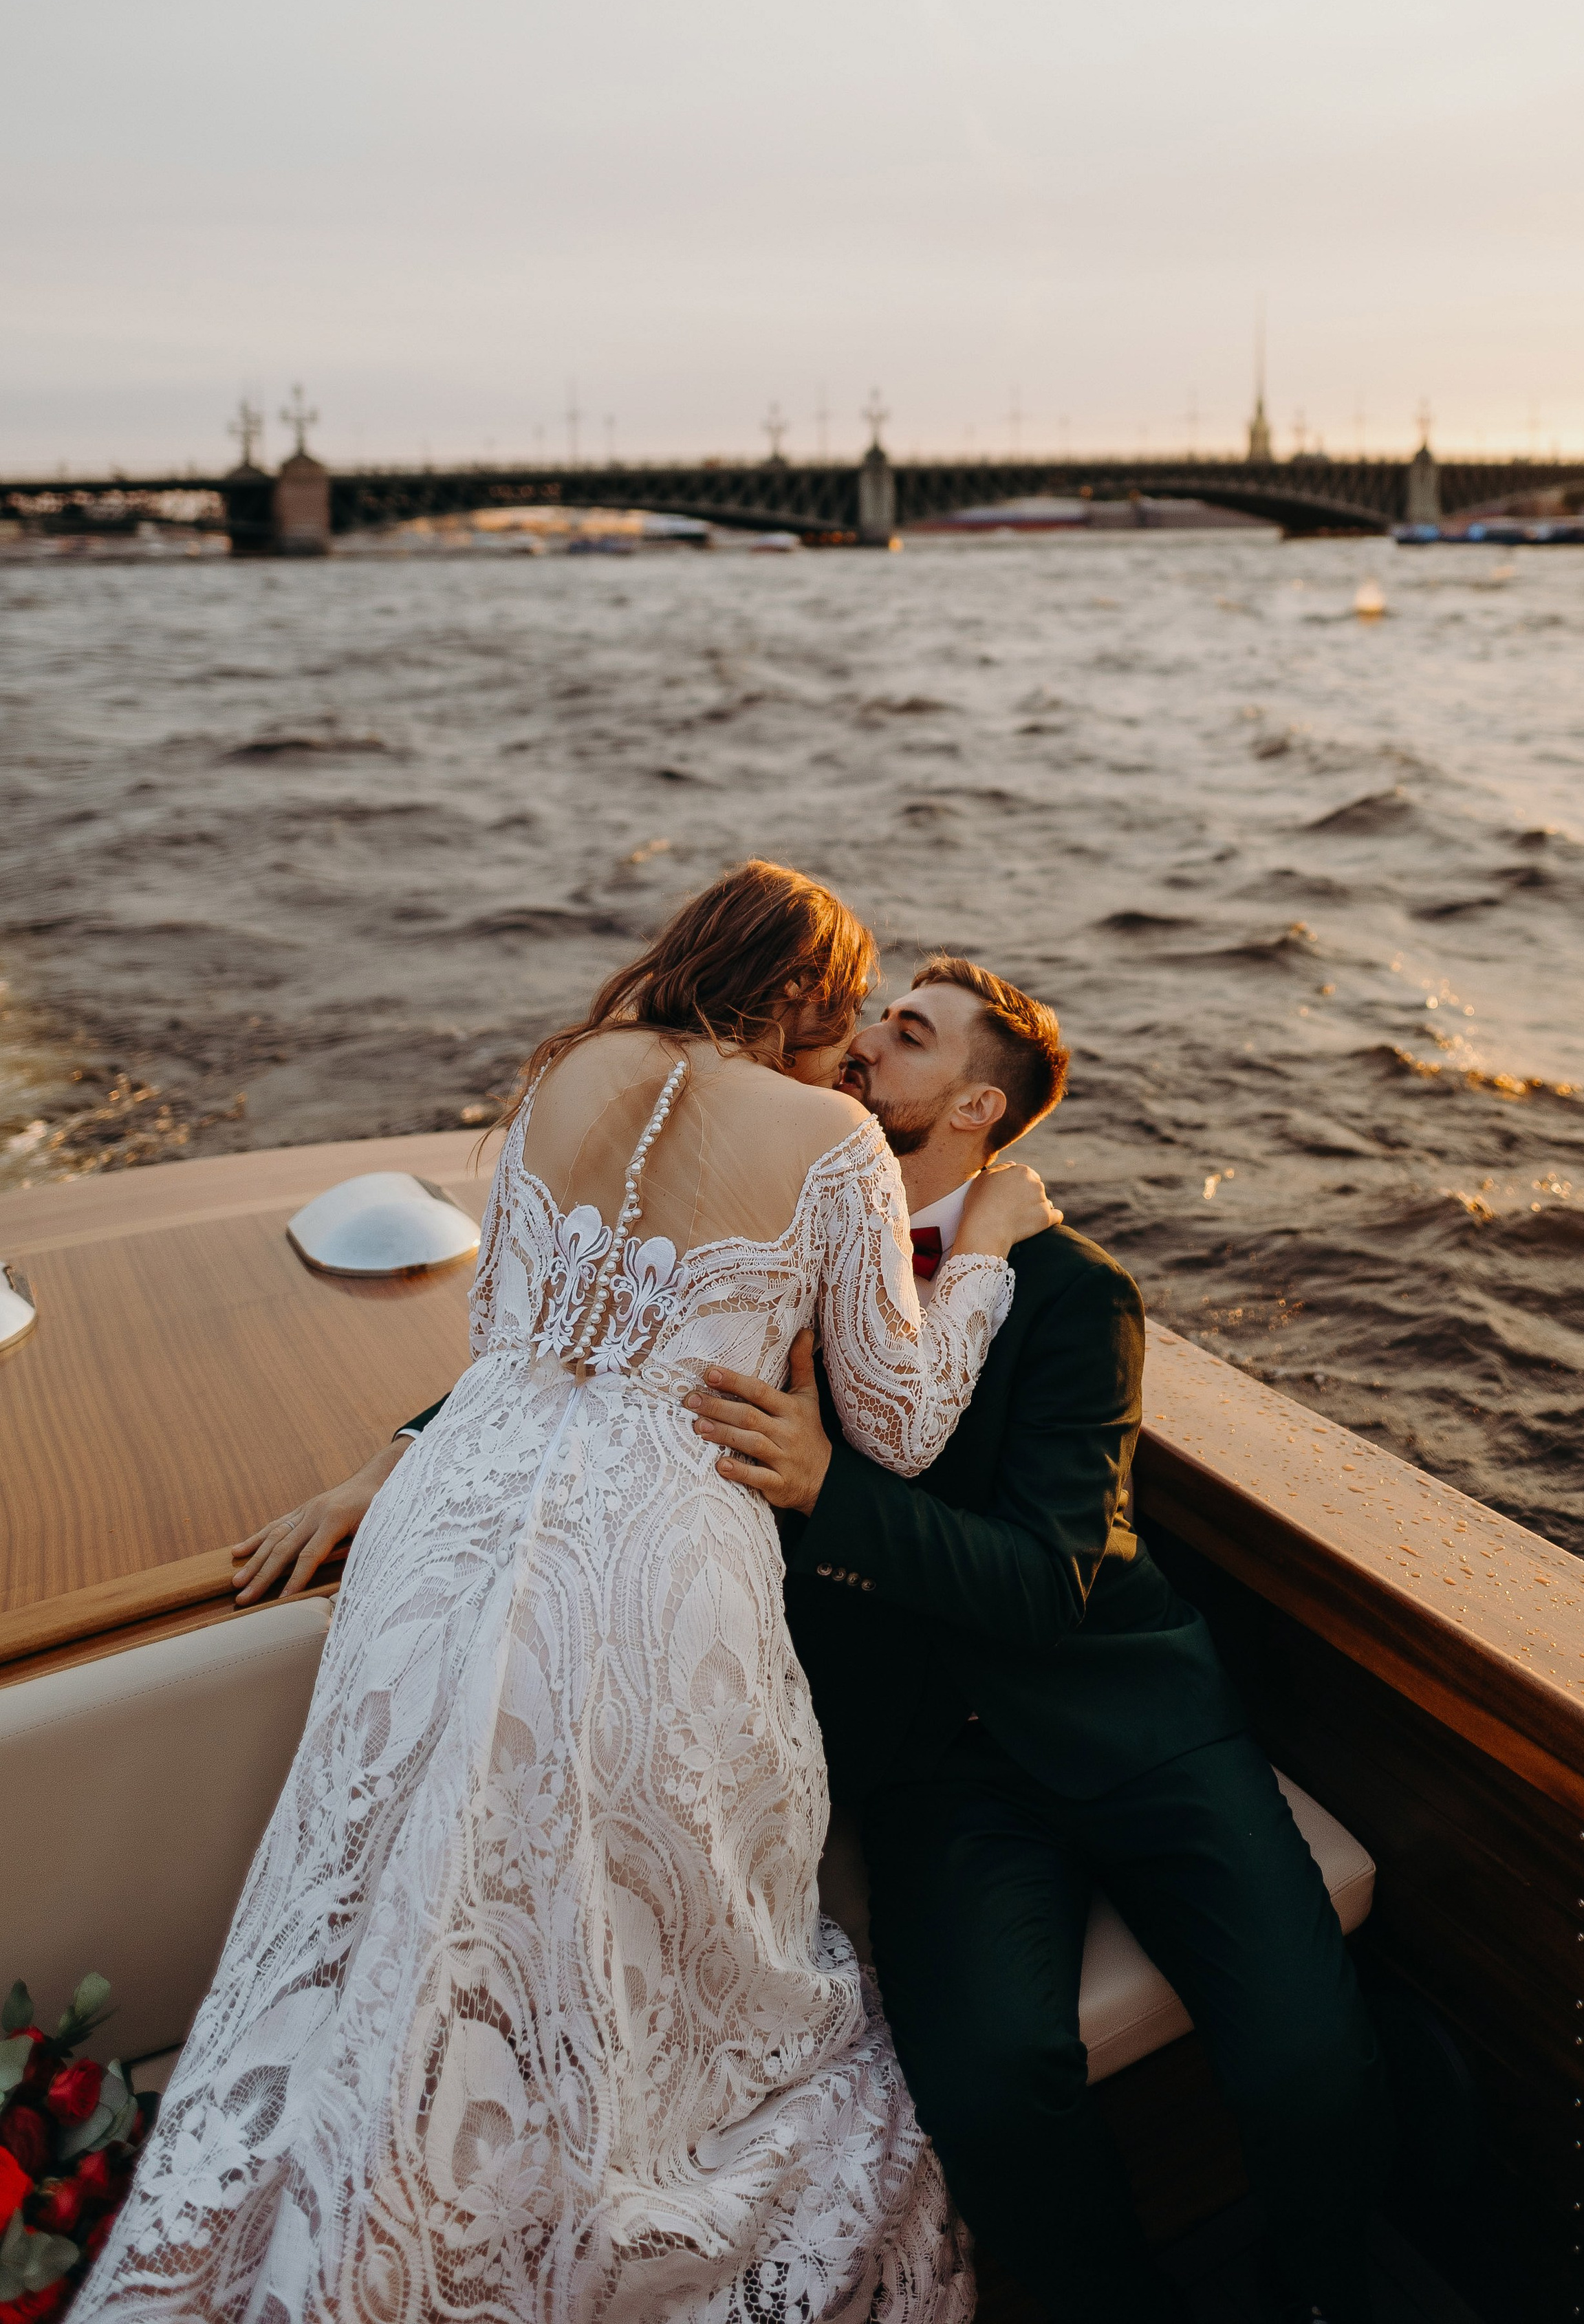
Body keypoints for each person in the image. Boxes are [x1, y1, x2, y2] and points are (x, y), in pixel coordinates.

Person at [76, 862, 1058, 2324]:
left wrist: (378, 1473)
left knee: (397, 1878)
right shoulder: (835, 1136)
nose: (846, 1041)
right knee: (618, 1922)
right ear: (796, 989)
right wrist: (978, 1253)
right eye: (842, 1008)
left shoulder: (562, 1072)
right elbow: (902, 1422)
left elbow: (505, 1332)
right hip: (647, 1551)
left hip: (454, 1512)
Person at [683, 958, 1389, 2324]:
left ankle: (1317, 2299)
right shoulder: (783, 1248)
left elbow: (1051, 1579)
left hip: (1134, 1728)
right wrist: (393, 1463)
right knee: (989, 2077)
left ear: (977, 1106)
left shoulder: (1071, 1295)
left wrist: (834, 1492)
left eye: (908, 1031)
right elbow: (595, 1337)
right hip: (933, 1773)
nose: (864, 1040)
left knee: (1307, 2052)